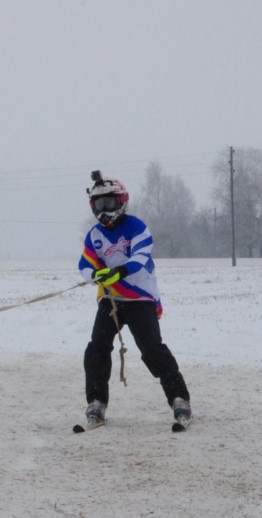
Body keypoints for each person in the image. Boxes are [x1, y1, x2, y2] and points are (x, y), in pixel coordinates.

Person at [77, 171, 191, 428]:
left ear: (121, 202)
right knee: (96, 348)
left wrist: (119, 271)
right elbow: (85, 264)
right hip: (110, 300)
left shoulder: (137, 227)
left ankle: (179, 398)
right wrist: (95, 275)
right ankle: (96, 402)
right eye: (98, 205)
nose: (104, 211)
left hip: (140, 298)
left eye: (108, 203)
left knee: (152, 349)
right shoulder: (94, 235)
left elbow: (140, 257)